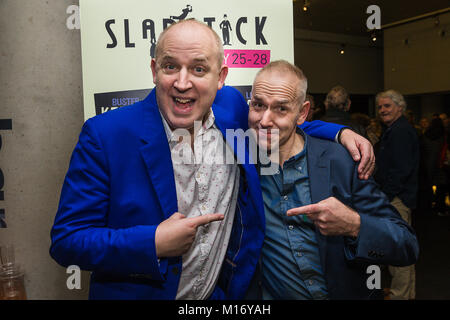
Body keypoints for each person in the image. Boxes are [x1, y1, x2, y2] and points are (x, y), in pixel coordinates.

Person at [50, 20, 374, 300]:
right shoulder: (106, 135)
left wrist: (338, 131)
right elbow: (67, 241)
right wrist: (152, 243)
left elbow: (277, 121)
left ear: (221, 78)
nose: (182, 82)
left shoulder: (230, 109)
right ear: (154, 70)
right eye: (170, 66)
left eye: (199, 69)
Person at [245, 60, 419, 300]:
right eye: (258, 105)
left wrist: (354, 225)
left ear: (302, 113)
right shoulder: (242, 161)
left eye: (281, 109)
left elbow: (407, 245)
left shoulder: (340, 161)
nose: (264, 120)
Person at [374, 89, 420, 300]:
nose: (382, 110)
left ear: (400, 107)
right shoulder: (395, 129)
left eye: (387, 106)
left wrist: (385, 197)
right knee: (404, 249)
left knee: (398, 250)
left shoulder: (400, 132)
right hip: (399, 196)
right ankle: (406, 294)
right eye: (380, 107)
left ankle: (400, 295)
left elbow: (400, 170)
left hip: (396, 199)